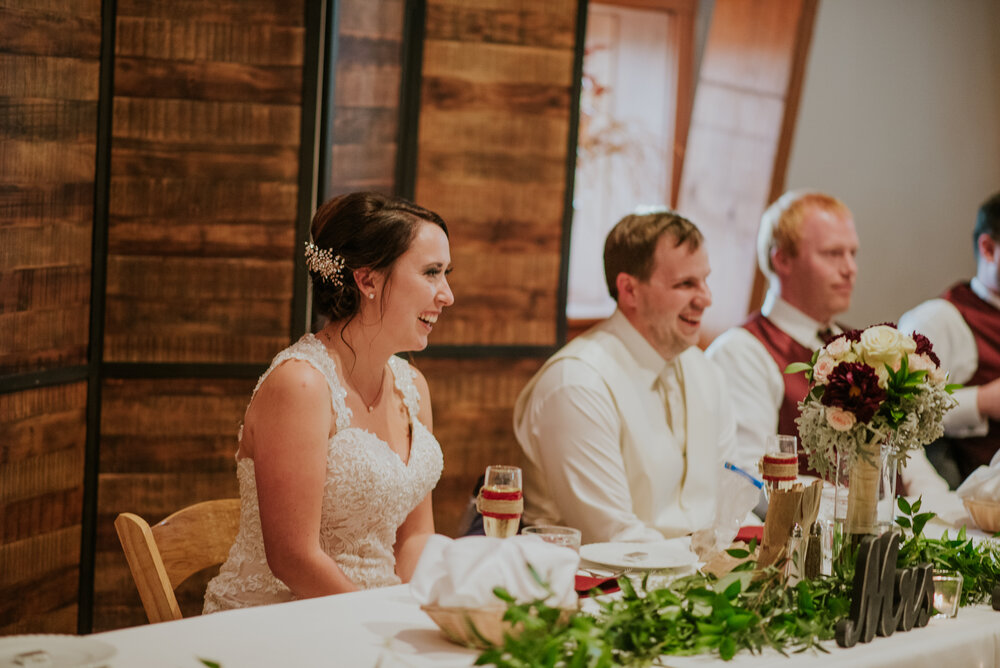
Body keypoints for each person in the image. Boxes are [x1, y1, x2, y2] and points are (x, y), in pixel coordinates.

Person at [204, 192, 453, 612]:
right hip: (284, 618)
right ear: (367, 280)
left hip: (379, 613)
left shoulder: (413, 386)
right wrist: (376, 623)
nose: (446, 295)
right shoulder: (300, 385)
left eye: (446, 274)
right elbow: (293, 560)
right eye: (431, 273)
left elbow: (414, 538)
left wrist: (426, 613)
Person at [512, 209, 740, 544]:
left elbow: (731, 497)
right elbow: (613, 539)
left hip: (701, 577)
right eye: (685, 284)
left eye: (705, 280)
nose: (706, 298)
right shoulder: (576, 384)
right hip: (595, 585)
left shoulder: (705, 370)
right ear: (629, 290)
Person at [706, 190, 947, 495]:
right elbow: (750, 480)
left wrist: (942, 510)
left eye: (852, 253)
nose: (850, 269)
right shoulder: (743, 351)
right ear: (781, 259)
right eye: (833, 254)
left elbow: (912, 466)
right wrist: (857, 504)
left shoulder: (865, 347)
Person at [898, 191, 1000, 483]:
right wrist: (982, 401)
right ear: (989, 249)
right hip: (967, 504)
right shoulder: (939, 319)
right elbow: (899, 411)